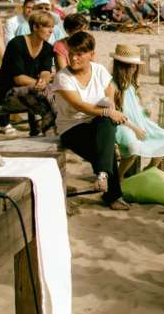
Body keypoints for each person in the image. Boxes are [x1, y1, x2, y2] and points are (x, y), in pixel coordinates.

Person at [49, 31, 129, 209]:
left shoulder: (98, 70)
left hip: (98, 123)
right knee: (106, 149)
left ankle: (102, 175)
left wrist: (110, 106)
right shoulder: (63, 77)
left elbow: (110, 90)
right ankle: (113, 195)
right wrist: (109, 112)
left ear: (91, 54)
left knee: (105, 125)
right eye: (71, 53)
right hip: (72, 127)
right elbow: (79, 105)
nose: (73, 58)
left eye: (79, 54)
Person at [110, 44, 164, 169]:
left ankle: (148, 169)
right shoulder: (112, 85)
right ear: (121, 66)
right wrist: (135, 129)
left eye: (135, 66)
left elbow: (136, 108)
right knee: (134, 147)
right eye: (131, 66)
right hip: (123, 125)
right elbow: (115, 114)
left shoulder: (132, 84)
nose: (134, 69)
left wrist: (145, 111)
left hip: (140, 121)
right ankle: (119, 176)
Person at [0, 10, 57, 136]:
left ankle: (47, 132)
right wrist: (39, 84)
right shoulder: (17, 44)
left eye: (52, 27)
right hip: (8, 93)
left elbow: (46, 71)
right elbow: (19, 78)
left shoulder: (47, 47)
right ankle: (49, 132)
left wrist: (43, 81)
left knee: (52, 94)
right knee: (47, 96)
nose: (51, 31)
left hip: (33, 92)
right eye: (47, 26)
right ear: (35, 27)